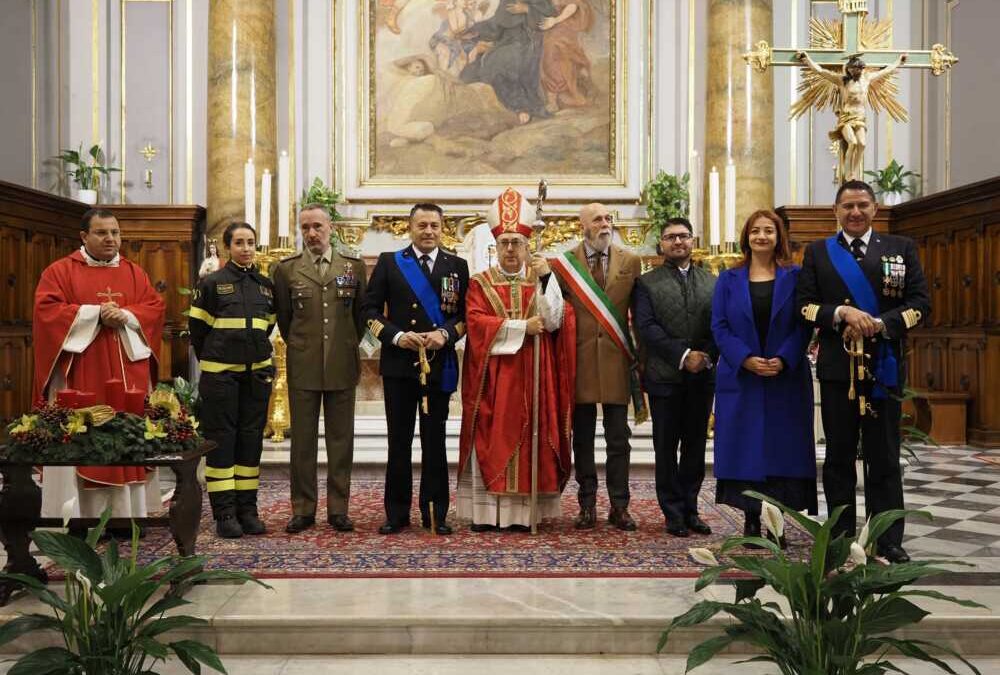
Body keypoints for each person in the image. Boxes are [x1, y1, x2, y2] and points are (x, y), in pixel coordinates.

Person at [797, 180, 930, 563]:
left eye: (862, 205)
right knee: (838, 457)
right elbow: (804, 306)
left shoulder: (900, 249)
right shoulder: (819, 252)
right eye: (847, 206)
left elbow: (920, 303)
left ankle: (887, 539)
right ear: (835, 211)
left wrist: (878, 322)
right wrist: (840, 314)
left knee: (884, 457)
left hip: (883, 370)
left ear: (874, 208)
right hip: (840, 371)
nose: (855, 212)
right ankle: (840, 539)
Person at [33, 208, 165, 520]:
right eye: (102, 233)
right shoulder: (60, 271)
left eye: (115, 233)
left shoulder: (134, 272)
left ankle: (130, 514)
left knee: (129, 431)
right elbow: (46, 310)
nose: (110, 239)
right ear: (84, 236)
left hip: (127, 370)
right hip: (83, 371)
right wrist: (94, 314)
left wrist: (128, 315)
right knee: (83, 433)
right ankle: (76, 514)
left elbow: (154, 307)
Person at [457, 187, 576, 531]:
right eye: (505, 243)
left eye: (517, 244)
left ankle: (526, 514)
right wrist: (523, 327)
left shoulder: (540, 280)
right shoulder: (480, 282)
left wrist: (546, 277)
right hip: (494, 378)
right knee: (491, 437)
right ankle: (487, 515)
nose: (511, 250)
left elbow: (556, 319)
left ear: (527, 247)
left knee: (532, 437)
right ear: (496, 248)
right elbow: (476, 324)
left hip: (534, 376)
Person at [362, 203, 470, 535]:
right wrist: (395, 335)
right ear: (410, 228)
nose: (428, 231)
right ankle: (396, 513)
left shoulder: (457, 266)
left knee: (435, 442)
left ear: (442, 228)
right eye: (421, 225)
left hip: (439, 366)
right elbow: (368, 311)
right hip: (399, 367)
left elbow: (467, 316)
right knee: (399, 442)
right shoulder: (390, 263)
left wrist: (445, 334)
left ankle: (434, 513)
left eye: (434, 225)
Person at [711, 210, 817, 547]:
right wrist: (745, 359)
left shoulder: (796, 276)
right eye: (755, 231)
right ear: (746, 237)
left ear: (778, 236)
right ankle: (751, 521)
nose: (761, 236)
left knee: (781, 451)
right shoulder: (728, 279)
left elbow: (805, 323)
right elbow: (719, 326)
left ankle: (778, 523)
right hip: (743, 379)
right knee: (746, 451)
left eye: (768, 231)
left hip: (784, 379)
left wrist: (784, 358)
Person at [273, 204, 367, 534]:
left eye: (317, 227)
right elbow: (285, 320)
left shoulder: (353, 267)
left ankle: (339, 509)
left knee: (342, 442)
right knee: (302, 443)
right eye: (305, 228)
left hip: (342, 363)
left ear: (331, 228)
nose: (312, 233)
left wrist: (342, 345)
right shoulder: (286, 270)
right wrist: (304, 346)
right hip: (303, 365)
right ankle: (303, 508)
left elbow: (359, 317)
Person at [550, 203, 643, 531]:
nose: (605, 224)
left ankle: (620, 506)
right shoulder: (563, 265)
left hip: (617, 360)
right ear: (583, 227)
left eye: (608, 219)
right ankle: (587, 504)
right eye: (598, 220)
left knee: (619, 438)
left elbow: (639, 314)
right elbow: (555, 314)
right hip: (580, 362)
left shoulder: (631, 261)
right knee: (583, 439)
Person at [189, 222, 276, 539]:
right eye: (239, 242)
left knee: (251, 443)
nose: (246, 248)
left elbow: (266, 327)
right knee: (222, 444)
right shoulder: (212, 283)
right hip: (221, 378)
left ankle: (247, 509)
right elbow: (198, 332)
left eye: (251, 242)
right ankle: (224, 513)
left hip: (256, 376)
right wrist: (220, 361)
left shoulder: (265, 285)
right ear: (228, 247)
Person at [633, 217, 718, 537]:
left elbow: (720, 323)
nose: (677, 242)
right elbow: (647, 328)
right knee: (666, 448)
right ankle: (672, 513)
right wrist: (684, 356)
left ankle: (691, 508)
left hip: (703, 376)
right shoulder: (647, 283)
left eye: (683, 236)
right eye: (670, 238)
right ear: (661, 245)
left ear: (693, 240)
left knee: (695, 447)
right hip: (664, 377)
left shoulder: (712, 281)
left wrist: (705, 354)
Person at [794, 51, 907, 182]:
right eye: (852, 69)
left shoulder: (867, 79)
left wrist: (899, 61)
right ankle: (848, 174)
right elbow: (821, 71)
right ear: (848, 69)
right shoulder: (842, 81)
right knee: (852, 142)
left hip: (860, 117)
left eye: (858, 68)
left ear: (861, 69)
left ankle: (854, 172)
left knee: (862, 144)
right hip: (846, 117)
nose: (855, 71)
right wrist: (807, 59)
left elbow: (886, 71)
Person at [460, 0, 558, 124]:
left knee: (499, 64)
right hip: (506, 42)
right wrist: (475, 31)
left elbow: (549, 17)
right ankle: (510, 108)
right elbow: (496, 24)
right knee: (476, 67)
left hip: (528, 44)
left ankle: (522, 107)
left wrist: (527, 9)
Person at [539, 0, 594, 112]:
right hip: (549, 26)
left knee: (556, 55)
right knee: (546, 57)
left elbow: (574, 4)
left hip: (564, 25)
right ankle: (554, 100)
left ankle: (557, 100)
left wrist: (555, 20)